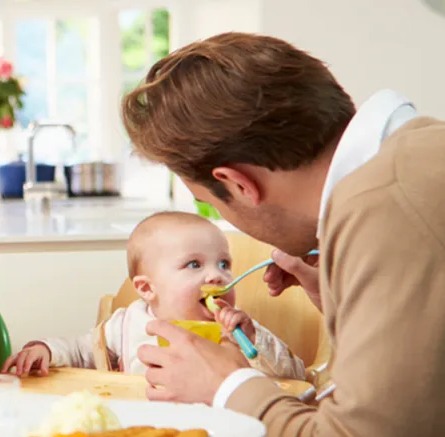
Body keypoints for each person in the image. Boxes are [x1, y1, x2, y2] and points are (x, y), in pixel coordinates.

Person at [120, 31, 445, 436]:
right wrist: (341, 300)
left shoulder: (385, 207)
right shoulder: (416, 157)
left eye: (209, 202)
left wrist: (228, 386)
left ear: (238, 184)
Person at [2, 212, 305, 382]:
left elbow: (294, 375)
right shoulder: (125, 324)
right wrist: (46, 350)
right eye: (194, 264)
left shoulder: (238, 332)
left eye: (224, 264)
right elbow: (82, 352)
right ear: (147, 289)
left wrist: (251, 339)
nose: (217, 276)